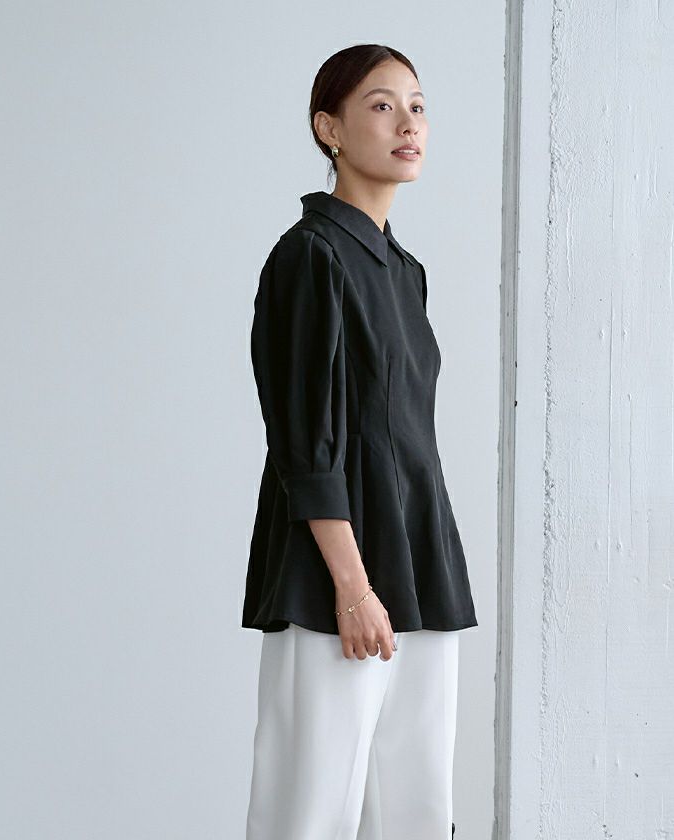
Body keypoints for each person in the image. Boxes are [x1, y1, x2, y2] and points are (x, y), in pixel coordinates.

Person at [242, 43, 478, 840]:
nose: (408, 123)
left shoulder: (404, 270)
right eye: (381, 105)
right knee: (310, 812)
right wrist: (352, 586)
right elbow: (306, 441)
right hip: (337, 575)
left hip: (418, 564)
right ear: (330, 128)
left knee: (419, 810)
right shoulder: (311, 255)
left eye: (417, 106)